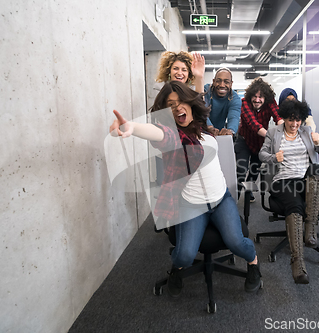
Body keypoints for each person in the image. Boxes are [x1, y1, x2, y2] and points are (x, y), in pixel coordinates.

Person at [109, 81, 261, 297]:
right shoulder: (173, 137)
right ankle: (176, 270)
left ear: (190, 103)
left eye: (181, 102)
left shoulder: (203, 127)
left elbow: (200, 98)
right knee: (184, 256)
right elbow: (158, 133)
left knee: (236, 242)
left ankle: (254, 263)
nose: (178, 107)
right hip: (191, 204)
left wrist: (198, 76)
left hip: (220, 199)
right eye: (171, 105)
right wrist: (131, 128)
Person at [259, 99, 319, 284]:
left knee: (318, 170)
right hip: (282, 180)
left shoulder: (306, 132)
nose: (295, 124)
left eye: (298, 120)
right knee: (295, 204)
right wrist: (274, 157)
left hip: (305, 180)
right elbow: (262, 154)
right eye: (291, 120)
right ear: (284, 118)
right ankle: (297, 263)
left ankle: (311, 231)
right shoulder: (274, 133)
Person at [235, 77, 284, 201]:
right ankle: (235, 195)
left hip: (260, 142)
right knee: (241, 169)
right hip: (244, 140)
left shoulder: (270, 102)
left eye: (260, 97)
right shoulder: (244, 103)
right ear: (250, 96)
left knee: (254, 170)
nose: (257, 100)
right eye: (255, 97)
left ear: (265, 97)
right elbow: (253, 124)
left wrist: (285, 132)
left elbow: (278, 117)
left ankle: (248, 192)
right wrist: (271, 137)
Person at [203, 67, 241, 136]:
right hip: (201, 131)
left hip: (219, 133)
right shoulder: (205, 91)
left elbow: (234, 117)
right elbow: (202, 111)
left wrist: (230, 130)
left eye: (226, 82)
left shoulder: (234, 98)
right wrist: (210, 127)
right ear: (213, 81)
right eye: (218, 81)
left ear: (231, 84)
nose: (222, 85)